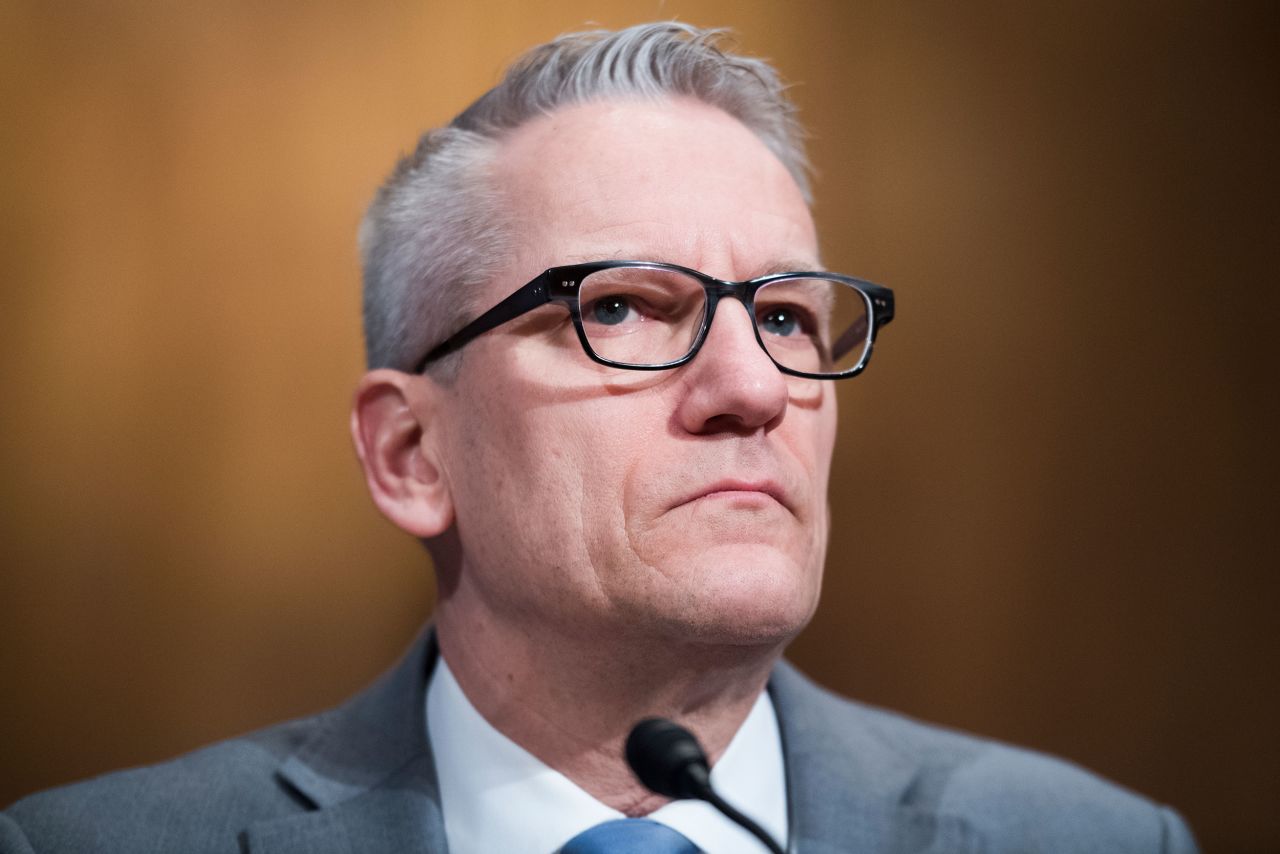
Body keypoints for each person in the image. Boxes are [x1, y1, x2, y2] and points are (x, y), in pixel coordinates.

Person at [1, 22, 1197, 854]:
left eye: (784, 315)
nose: (751, 387)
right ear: (411, 453)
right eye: (619, 306)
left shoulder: (1092, 837)